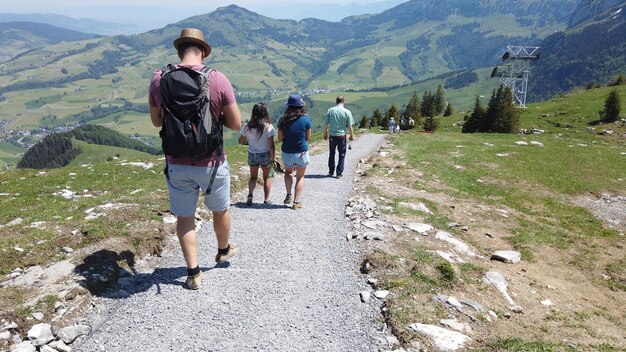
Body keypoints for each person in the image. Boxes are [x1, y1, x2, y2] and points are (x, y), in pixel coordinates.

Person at [149, 28, 241, 290]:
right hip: (211, 162)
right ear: (202, 52)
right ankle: (223, 249)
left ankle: (193, 273)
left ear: (179, 52)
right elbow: (235, 124)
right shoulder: (217, 78)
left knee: (185, 218)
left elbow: (157, 121)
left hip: (177, 160)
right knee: (220, 209)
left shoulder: (159, 78)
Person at [277, 94, 311, 209]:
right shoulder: (306, 119)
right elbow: (308, 138)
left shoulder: (283, 120)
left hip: (287, 151)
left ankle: (288, 194)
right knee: (300, 177)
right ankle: (296, 202)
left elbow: (280, 138)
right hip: (301, 152)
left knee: (288, 173)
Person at [238, 103, 276, 206]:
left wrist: (246, 138)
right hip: (264, 154)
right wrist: (273, 159)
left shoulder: (248, 126)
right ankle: (266, 199)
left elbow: (240, 141)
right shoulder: (268, 127)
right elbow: (272, 146)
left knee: (253, 177)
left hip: (252, 154)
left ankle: (250, 195)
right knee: (266, 178)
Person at [323, 96, 354, 178]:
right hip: (341, 136)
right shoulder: (347, 112)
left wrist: (325, 133)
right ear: (343, 102)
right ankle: (339, 173)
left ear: (336, 101)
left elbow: (326, 123)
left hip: (332, 136)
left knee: (332, 153)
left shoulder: (330, 110)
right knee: (342, 155)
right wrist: (351, 135)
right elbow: (349, 126)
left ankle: (331, 171)